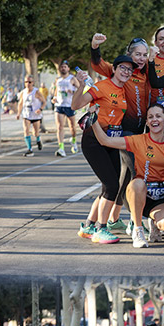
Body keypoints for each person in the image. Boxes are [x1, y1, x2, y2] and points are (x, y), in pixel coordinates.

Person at [92, 104, 164, 249]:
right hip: (137, 194)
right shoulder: (138, 140)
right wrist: (93, 120)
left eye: (158, 116)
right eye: (150, 117)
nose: (154, 120)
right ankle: (137, 229)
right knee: (138, 183)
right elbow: (105, 141)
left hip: (158, 198)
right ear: (146, 122)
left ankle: (154, 222)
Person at [72, 58, 135, 245]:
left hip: (111, 141)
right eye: (122, 68)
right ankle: (101, 229)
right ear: (114, 69)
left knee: (108, 187)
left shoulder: (124, 90)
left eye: (129, 70)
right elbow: (76, 105)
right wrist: (81, 85)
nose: (126, 72)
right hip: (94, 140)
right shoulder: (101, 86)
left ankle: (89, 225)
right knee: (112, 186)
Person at [51, 63, 79, 156]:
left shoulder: (72, 79)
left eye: (65, 67)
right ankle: (61, 148)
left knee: (72, 127)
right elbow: (56, 91)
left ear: (68, 68)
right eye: (62, 67)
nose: (63, 68)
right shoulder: (57, 79)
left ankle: (74, 140)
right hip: (59, 105)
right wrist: (54, 97)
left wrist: (73, 91)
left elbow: (81, 89)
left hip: (70, 105)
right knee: (59, 127)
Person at [17, 76, 44, 156]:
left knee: (35, 132)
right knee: (26, 131)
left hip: (36, 115)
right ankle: (30, 149)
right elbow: (20, 103)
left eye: (29, 82)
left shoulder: (36, 92)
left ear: (33, 83)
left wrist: (40, 109)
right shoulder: (23, 92)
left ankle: (38, 139)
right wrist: (18, 113)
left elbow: (44, 102)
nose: (28, 84)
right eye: (26, 82)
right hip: (26, 114)